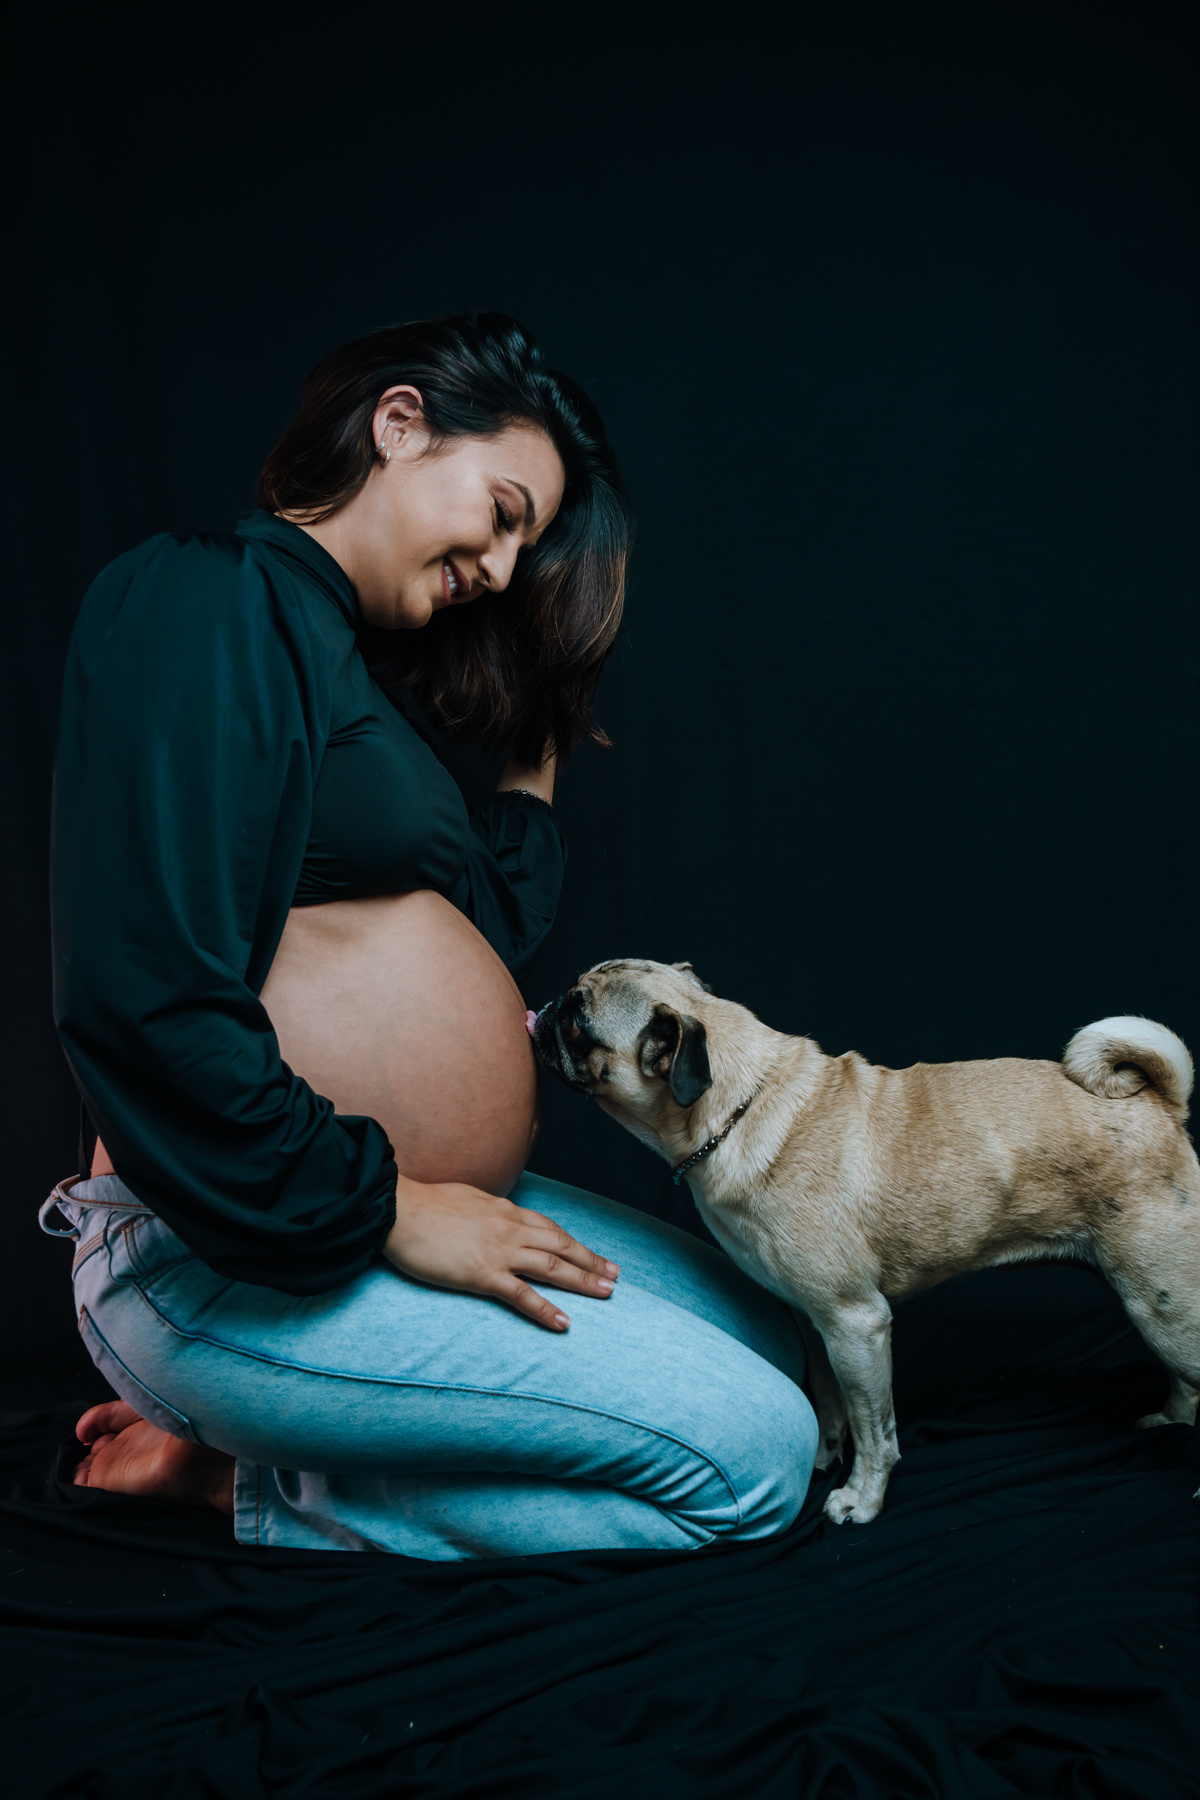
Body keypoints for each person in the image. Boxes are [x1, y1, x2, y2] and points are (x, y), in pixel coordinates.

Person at [42, 311, 818, 1557]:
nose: (505, 569)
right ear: (400, 424)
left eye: (524, 548)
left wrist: (540, 729)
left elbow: (480, 929)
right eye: (503, 513)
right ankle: (252, 1487)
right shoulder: (204, 598)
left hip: (390, 1211)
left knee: (787, 1347)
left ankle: (290, 1432)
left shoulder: (346, 677)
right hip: (232, 1247)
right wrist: (393, 1210)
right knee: (759, 1461)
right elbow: (141, 991)